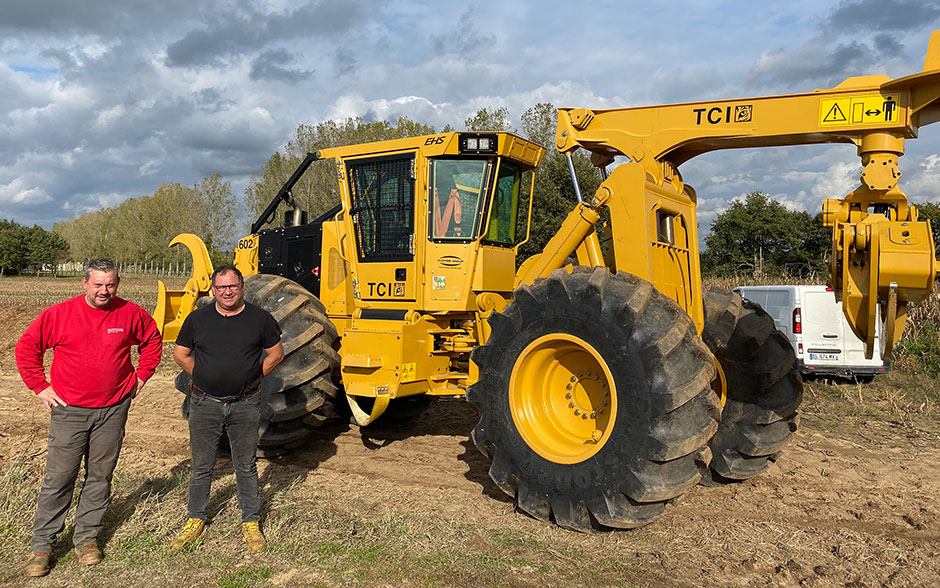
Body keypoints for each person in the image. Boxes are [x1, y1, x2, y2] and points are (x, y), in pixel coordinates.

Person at [15, 258, 162, 577]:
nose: (104, 291)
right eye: (97, 284)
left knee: (99, 476)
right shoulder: (59, 315)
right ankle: (42, 546)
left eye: (110, 285)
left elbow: (152, 341)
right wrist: (40, 386)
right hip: (69, 410)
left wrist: (141, 376)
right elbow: (27, 349)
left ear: (117, 284)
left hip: (112, 409)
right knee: (59, 478)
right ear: (84, 283)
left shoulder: (130, 313)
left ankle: (86, 540)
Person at [170, 265, 283, 553]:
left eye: (232, 286)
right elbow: (180, 354)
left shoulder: (260, 319)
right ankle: (195, 519)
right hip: (204, 403)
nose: (227, 292)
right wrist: (204, 375)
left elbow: (276, 353)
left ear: (242, 286)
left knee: (245, 466)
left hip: (245, 404)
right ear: (213, 290)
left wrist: (253, 376)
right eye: (221, 288)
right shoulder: (198, 319)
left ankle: (250, 522)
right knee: (201, 466)